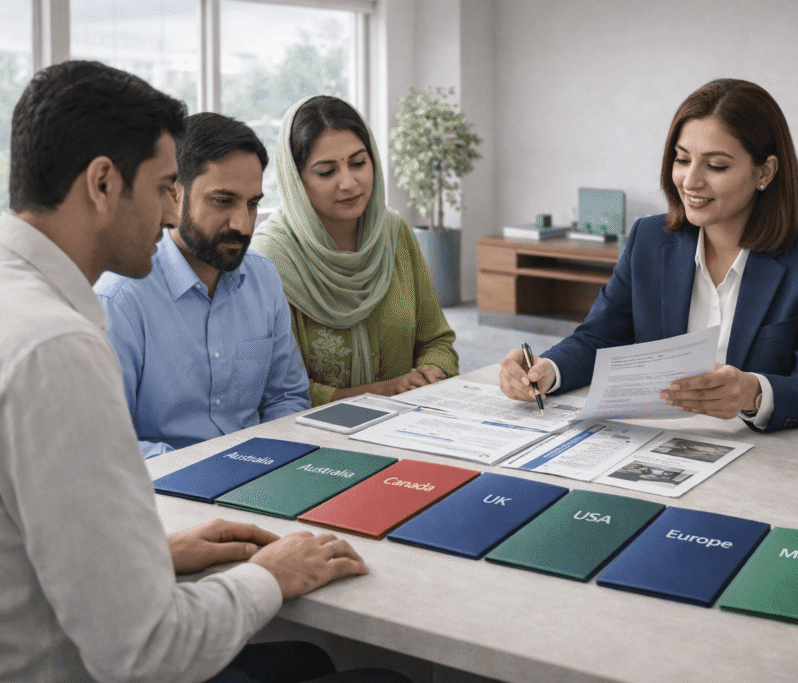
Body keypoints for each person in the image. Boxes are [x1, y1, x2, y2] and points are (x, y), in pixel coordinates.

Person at [0, 60, 408, 683]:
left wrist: (157, 557)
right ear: (103, 184)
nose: (169, 214)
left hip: (73, 623)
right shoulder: (57, 347)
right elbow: (145, 651)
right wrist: (268, 577)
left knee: (306, 658)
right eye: (165, 187)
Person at [499, 78, 798, 432]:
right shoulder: (649, 239)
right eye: (683, 159)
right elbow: (600, 338)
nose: (690, 181)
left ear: (764, 171)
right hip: (659, 444)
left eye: (716, 166)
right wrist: (547, 369)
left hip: (764, 456)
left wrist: (754, 393)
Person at [94, 112, 310, 459]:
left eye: (253, 203)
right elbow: (105, 440)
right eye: (222, 201)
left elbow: (286, 397)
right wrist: (201, 471)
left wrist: (273, 460)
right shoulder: (121, 298)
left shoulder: (262, 278)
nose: (243, 223)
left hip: (262, 474)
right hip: (166, 489)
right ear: (174, 194)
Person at [251, 95, 458, 407]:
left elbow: (437, 339)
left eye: (359, 163)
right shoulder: (269, 259)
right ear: (296, 180)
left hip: (409, 421)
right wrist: (381, 393)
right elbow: (272, 389)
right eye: (326, 172)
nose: (349, 183)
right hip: (315, 437)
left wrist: (430, 374)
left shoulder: (393, 233)